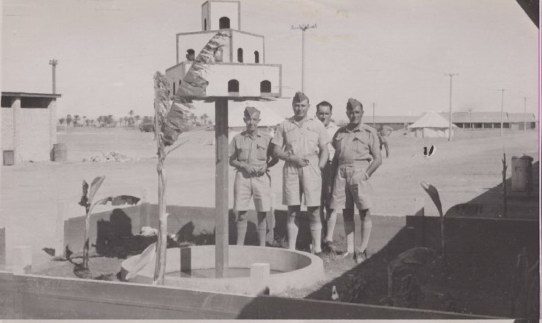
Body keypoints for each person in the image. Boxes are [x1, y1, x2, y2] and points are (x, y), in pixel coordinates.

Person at [272, 92, 330, 254]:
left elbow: (325, 149)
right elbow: (276, 150)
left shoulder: (317, 125)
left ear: (308, 107)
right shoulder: (284, 125)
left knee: (314, 209)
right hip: (291, 167)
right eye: (297, 105)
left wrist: (319, 167)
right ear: (292, 105)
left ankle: (317, 249)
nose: (300, 108)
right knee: (293, 210)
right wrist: (292, 158)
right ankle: (292, 249)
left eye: (303, 105)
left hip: (311, 167)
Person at [330, 98, 382, 263]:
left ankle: (362, 249)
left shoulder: (369, 132)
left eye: (357, 112)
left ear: (362, 113)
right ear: (347, 113)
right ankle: (350, 250)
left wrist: (365, 175)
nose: (354, 115)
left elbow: (378, 159)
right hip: (342, 173)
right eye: (351, 112)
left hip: (360, 173)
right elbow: (337, 156)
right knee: (346, 212)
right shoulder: (340, 133)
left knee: (364, 211)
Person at [229, 107, 278, 246]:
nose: (251, 122)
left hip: (261, 178)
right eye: (249, 119)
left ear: (259, 120)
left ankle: (262, 246)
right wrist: (244, 165)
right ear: (244, 120)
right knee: (241, 213)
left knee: (262, 213)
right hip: (243, 178)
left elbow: (276, 158)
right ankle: (240, 246)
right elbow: (231, 160)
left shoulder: (267, 138)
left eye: (254, 119)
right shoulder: (237, 138)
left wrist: (266, 166)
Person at [315, 101, 340, 253]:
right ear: (316, 114)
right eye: (321, 113)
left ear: (331, 114)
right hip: (314, 167)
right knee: (316, 204)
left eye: (326, 113)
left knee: (331, 204)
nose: (323, 116)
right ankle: (318, 238)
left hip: (330, 167)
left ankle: (328, 239)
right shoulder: (311, 127)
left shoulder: (337, 130)